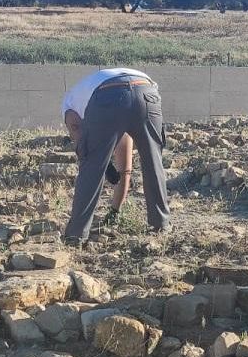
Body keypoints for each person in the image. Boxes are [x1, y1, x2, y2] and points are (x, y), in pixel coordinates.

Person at [61, 68, 170, 245]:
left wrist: (98, 162)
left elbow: (77, 131)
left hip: (108, 96)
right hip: (147, 91)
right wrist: (116, 170)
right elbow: (124, 150)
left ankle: (76, 235)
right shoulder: (87, 89)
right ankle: (161, 224)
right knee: (153, 161)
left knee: (90, 167)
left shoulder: (68, 103)